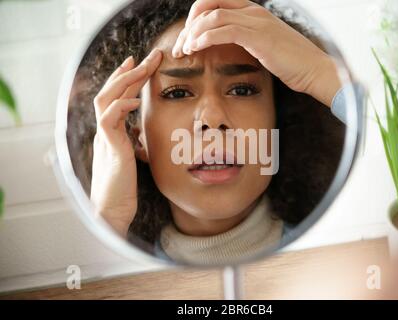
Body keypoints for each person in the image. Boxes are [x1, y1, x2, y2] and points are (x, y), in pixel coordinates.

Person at [68, 0, 359, 265]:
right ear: (135, 136)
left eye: (242, 89)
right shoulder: (128, 280)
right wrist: (109, 220)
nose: (213, 118)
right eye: (178, 92)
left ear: (277, 118)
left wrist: (319, 73)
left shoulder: (342, 262)